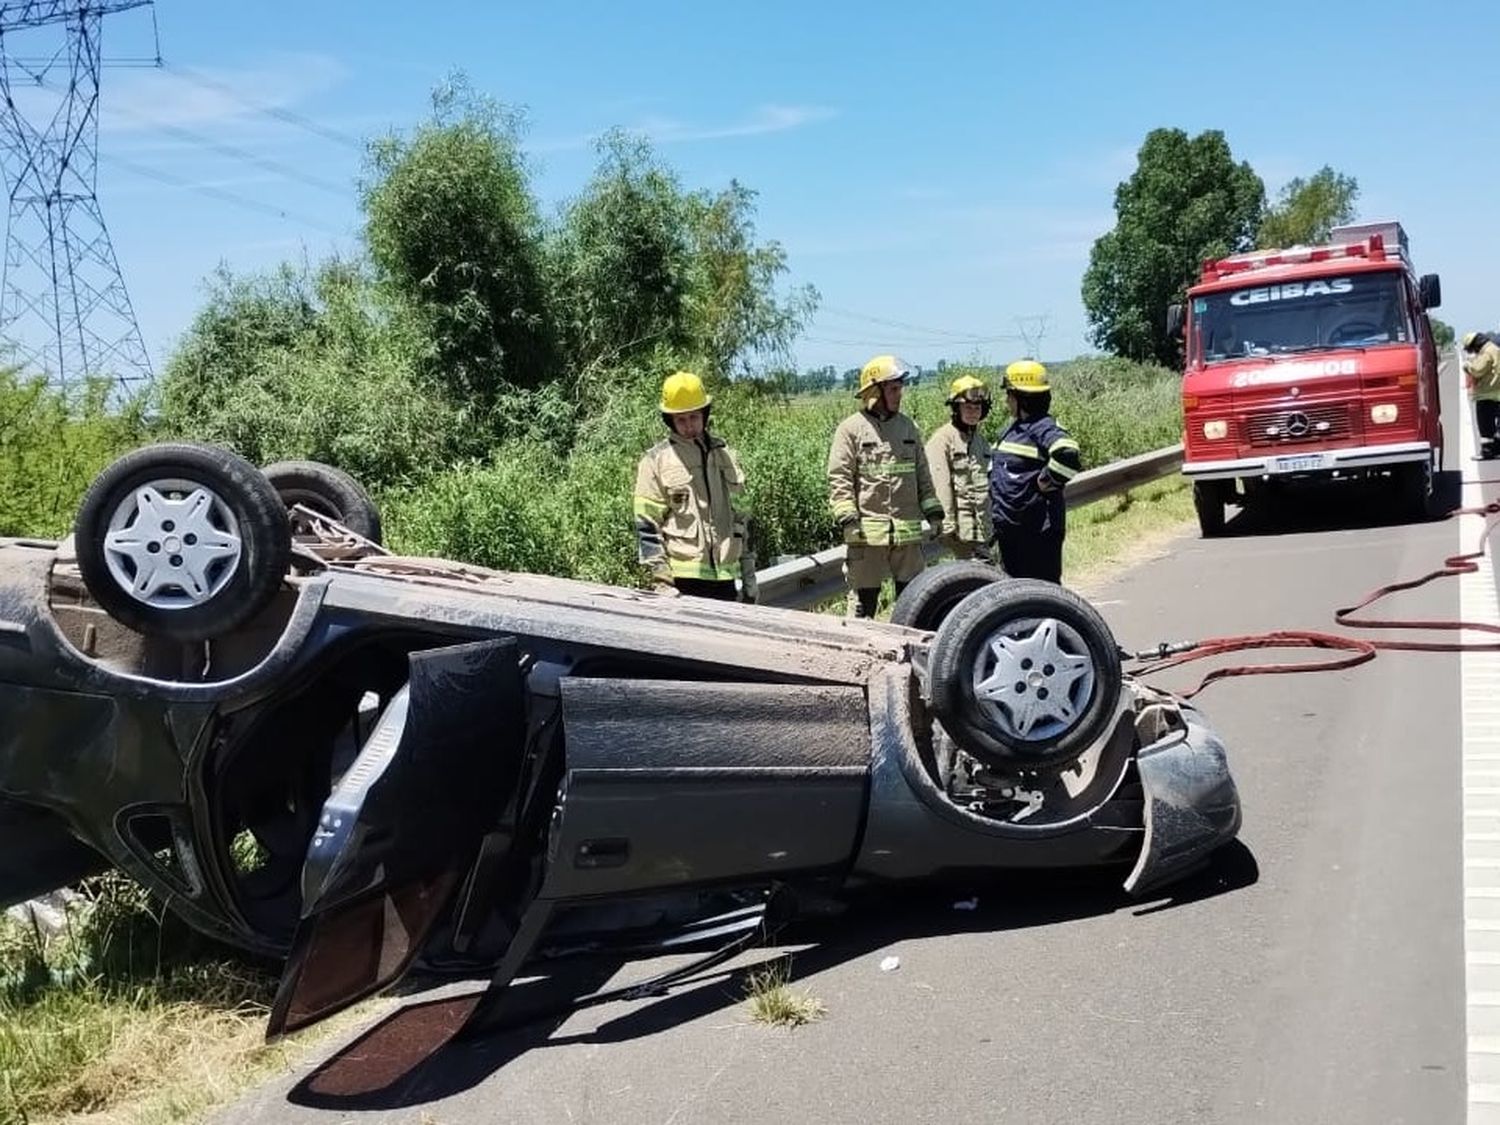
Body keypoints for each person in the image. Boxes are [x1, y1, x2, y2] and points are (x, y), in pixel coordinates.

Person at [827, 354, 945, 618]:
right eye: (893, 389)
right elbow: (840, 477)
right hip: (867, 536)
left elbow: (923, 475)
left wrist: (934, 514)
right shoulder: (850, 430)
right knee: (862, 609)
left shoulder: (908, 428)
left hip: (907, 536)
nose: (899, 394)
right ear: (874, 392)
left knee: (915, 606)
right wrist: (849, 520)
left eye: (900, 388)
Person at [633, 371, 749, 600]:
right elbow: (647, 525)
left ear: (704, 415)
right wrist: (662, 580)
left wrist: (749, 577)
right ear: (670, 421)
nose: (689, 426)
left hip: (725, 578)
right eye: (681, 420)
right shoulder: (656, 461)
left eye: (694, 417)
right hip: (682, 583)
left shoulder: (726, 457)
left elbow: (743, 519)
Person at [989, 359, 1081, 583]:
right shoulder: (1014, 428)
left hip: (1037, 532)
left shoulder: (1042, 427)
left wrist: (1046, 481)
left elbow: (1068, 454)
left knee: (1040, 594)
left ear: (1022, 398)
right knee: (1017, 595)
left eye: (1009, 395)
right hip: (1013, 530)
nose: (1006, 400)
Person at [925, 374, 995, 561]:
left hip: (982, 529)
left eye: (977, 407)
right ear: (956, 408)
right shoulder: (942, 440)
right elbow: (941, 485)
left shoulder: (981, 442)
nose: (973, 412)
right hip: (960, 533)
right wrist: (947, 525)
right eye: (968, 407)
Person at [1463, 331, 1500, 461]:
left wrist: (1467, 365)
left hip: (1487, 394)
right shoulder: (1494, 349)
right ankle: (1496, 449)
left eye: (1472, 348)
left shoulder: (1487, 352)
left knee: (1485, 426)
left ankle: (1488, 451)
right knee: (1495, 425)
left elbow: (1477, 370)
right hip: (1496, 393)